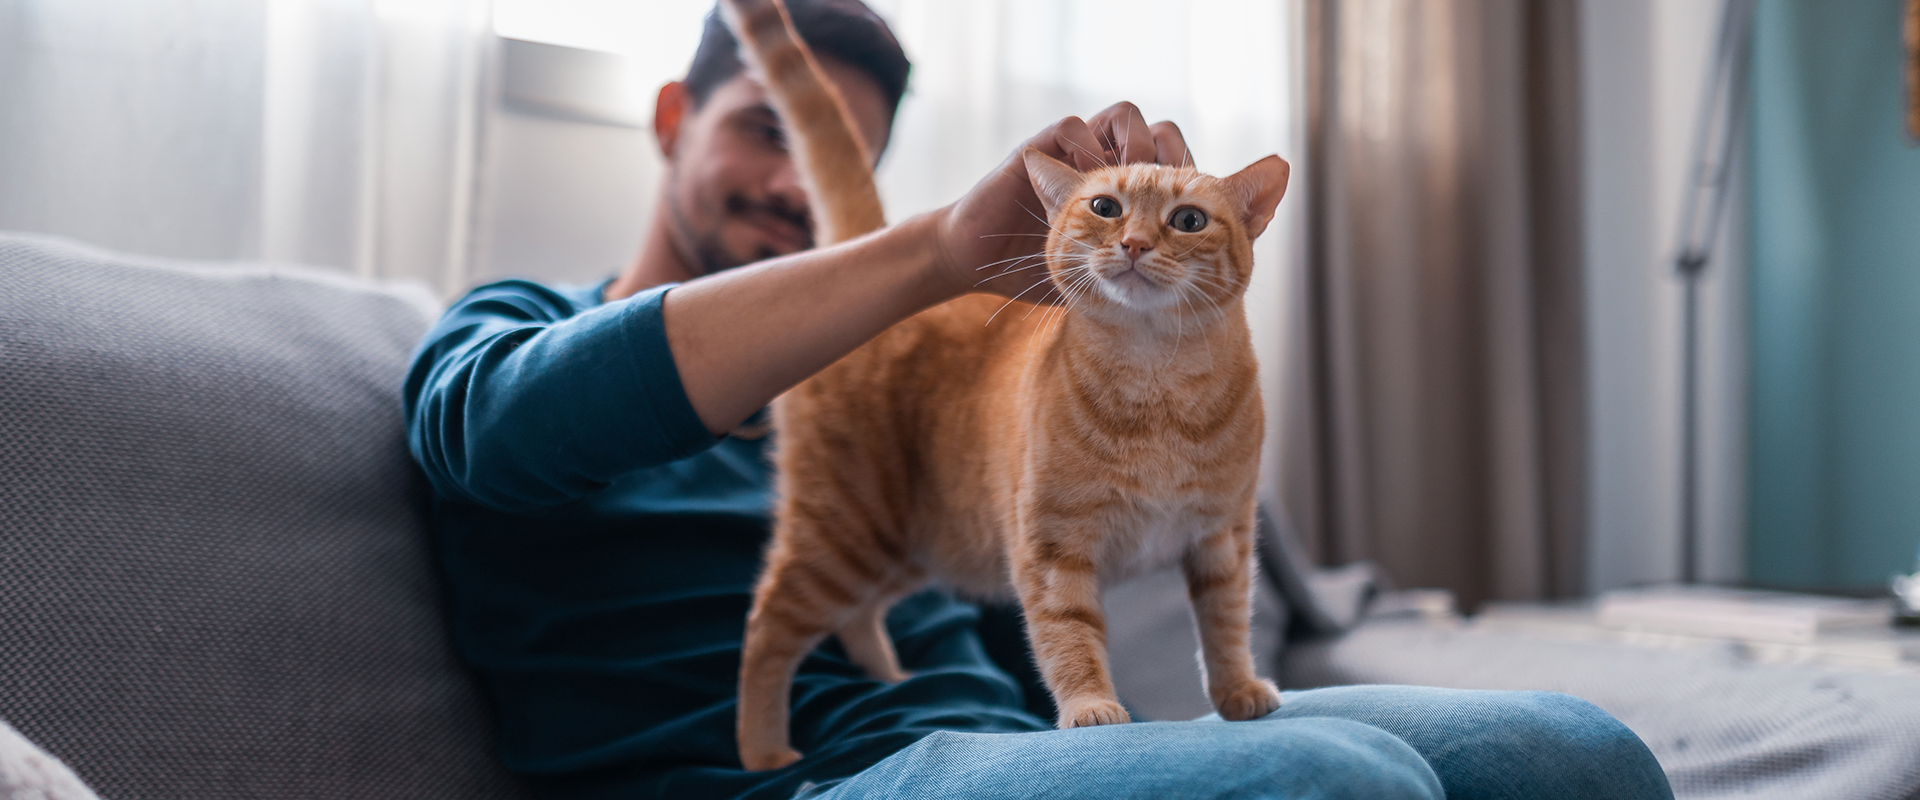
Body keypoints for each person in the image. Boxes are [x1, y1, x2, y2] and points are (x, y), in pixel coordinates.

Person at [402, 3, 1675, 798]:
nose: (798, 187)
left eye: (838, 156)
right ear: (675, 117)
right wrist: (930, 254)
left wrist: (1146, 282)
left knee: (1576, 749)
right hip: (798, 780)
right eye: (763, 131)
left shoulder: (914, 362)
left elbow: (1068, 524)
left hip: (1011, 744)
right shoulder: (511, 326)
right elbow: (500, 435)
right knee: (1335, 780)